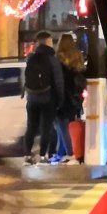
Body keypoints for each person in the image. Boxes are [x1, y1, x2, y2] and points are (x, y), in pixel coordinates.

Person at [22, 30, 66, 164]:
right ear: (48, 42)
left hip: (32, 98)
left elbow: (27, 77)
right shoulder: (52, 59)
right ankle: (42, 156)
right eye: (51, 41)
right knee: (46, 128)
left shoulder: (31, 58)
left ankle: (27, 156)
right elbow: (59, 81)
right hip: (48, 99)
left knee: (31, 127)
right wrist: (60, 99)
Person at [54, 33, 87, 163]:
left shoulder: (58, 58)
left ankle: (70, 151)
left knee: (61, 125)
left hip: (63, 94)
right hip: (75, 96)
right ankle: (63, 151)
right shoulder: (77, 56)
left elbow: (58, 79)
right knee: (71, 124)